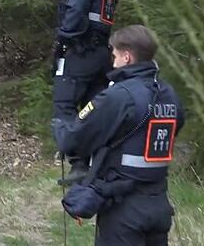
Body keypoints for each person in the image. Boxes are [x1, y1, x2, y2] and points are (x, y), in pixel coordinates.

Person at [52, 25, 184, 246]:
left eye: (114, 56)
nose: (112, 62)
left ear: (127, 57)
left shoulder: (119, 96)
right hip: (159, 205)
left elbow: (74, 139)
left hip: (123, 210)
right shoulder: (169, 94)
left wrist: (61, 122)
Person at [52, 0, 118, 181]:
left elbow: (75, 12)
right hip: (102, 54)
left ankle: (78, 164)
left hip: (80, 52)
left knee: (65, 104)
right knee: (94, 108)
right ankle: (100, 164)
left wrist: (63, 38)